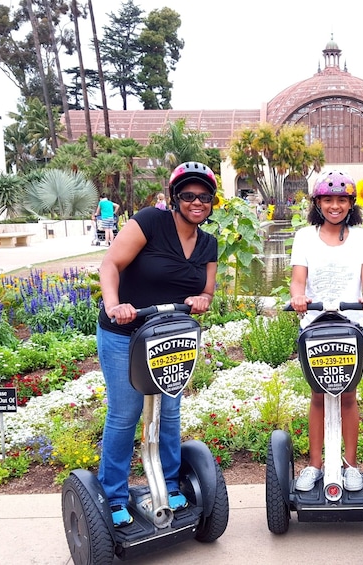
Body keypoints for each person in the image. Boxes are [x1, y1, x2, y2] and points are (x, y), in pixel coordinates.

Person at [96, 161, 218, 528]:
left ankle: (166, 484)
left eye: (205, 197)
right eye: (189, 195)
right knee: (125, 413)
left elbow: (207, 291)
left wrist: (202, 300)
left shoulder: (209, 244)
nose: (197, 202)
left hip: (170, 337)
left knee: (169, 411)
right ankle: (114, 495)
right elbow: (110, 265)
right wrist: (114, 304)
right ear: (175, 197)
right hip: (124, 333)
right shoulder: (149, 221)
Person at [290, 170, 363, 493]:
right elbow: (298, 279)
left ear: (351, 204)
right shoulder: (304, 236)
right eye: (328, 200)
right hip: (314, 326)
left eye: (342, 200)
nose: (335, 206)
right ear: (317, 203)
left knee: (348, 396)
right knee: (318, 395)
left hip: (352, 326)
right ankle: (315, 464)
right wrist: (298, 297)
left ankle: (351, 465)